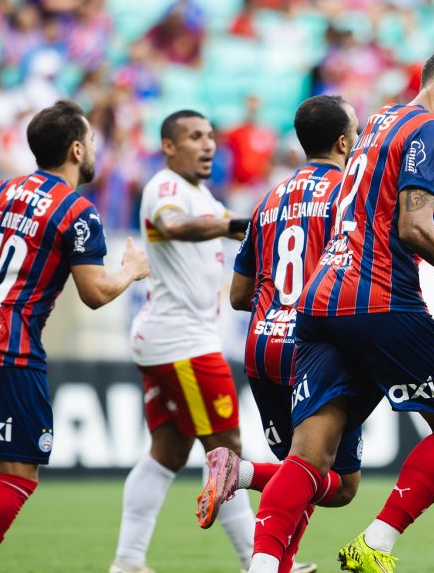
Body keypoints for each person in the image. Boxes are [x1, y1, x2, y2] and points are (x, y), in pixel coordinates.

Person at [243, 43, 434, 573]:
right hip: (380, 298)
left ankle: (262, 567)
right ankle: (375, 543)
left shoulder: (380, 121)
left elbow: (380, 204)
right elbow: (412, 225)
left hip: (321, 299)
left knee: (309, 457)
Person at [0, 100, 150, 573]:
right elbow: (95, 293)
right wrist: (130, 270)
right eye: (92, 140)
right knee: (19, 477)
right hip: (11, 349)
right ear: (76, 149)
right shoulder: (77, 211)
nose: (95, 148)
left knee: (4, 465)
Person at [203, 95, 354, 573]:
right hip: (317, 348)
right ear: (344, 142)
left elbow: (238, 295)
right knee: (336, 484)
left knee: (298, 469)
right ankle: (243, 472)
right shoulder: (349, 192)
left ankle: (275, 564)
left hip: (264, 345)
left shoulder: (269, 199)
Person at [110, 109, 256, 573]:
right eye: (195, 136)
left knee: (168, 453)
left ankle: (128, 561)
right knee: (227, 451)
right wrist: (231, 225)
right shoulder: (166, 187)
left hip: (168, 337)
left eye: (210, 136)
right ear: (169, 146)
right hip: (183, 343)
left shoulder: (202, 194)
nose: (207, 144)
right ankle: (259, 562)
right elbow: (173, 225)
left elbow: (237, 226)